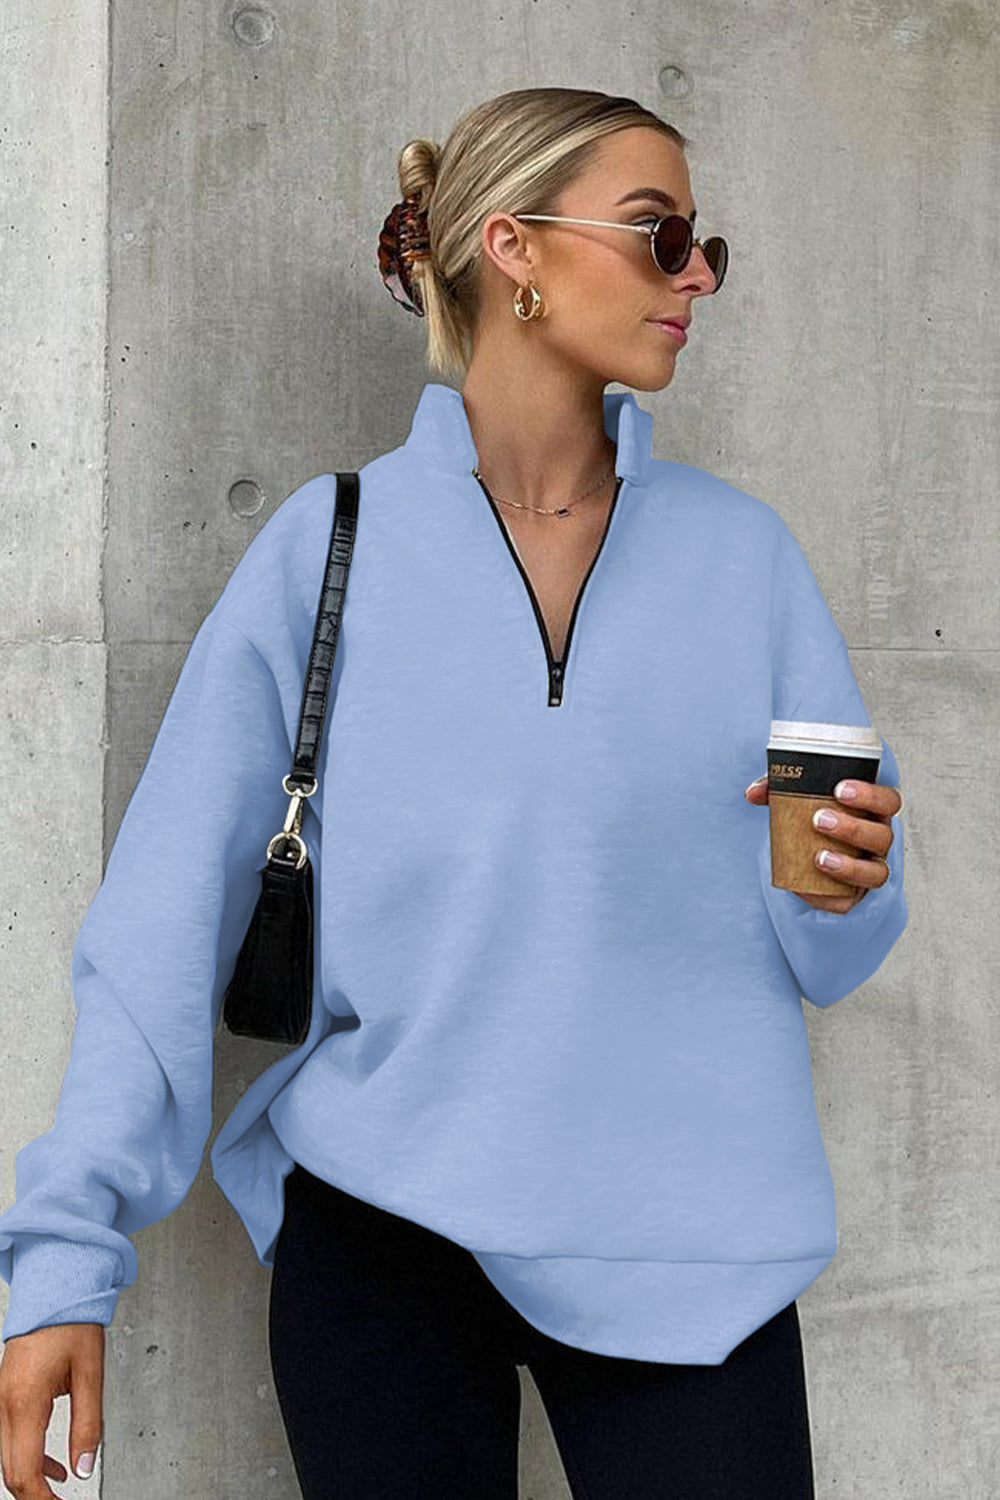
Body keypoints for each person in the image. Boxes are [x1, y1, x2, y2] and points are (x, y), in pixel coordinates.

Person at [0, 86, 907, 1499]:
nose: (696, 279)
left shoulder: (748, 563)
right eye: (661, 235)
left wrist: (847, 883)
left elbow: (830, 952)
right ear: (516, 245)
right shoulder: (329, 547)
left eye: (704, 246)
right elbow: (159, 924)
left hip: (692, 1247)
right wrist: (64, 1261)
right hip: (384, 1235)